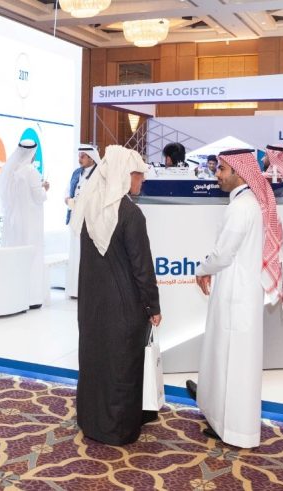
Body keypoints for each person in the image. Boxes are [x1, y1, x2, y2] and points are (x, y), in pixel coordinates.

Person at [187, 148, 283, 449]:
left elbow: (223, 254)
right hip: (240, 290)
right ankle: (226, 422)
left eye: (222, 169)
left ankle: (233, 429)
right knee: (232, 359)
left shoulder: (242, 207)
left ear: (239, 173)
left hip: (236, 293)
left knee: (232, 361)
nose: (217, 175)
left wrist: (202, 269)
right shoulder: (248, 202)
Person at [70, 145, 161, 446]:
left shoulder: (89, 207)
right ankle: (116, 429)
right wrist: (153, 306)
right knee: (121, 367)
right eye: (138, 175)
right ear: (123, 175)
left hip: (92, 307)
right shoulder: (130, 214)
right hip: (124, 310)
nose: (141, 181)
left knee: (95, 363)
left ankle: (92, 421)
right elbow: (142, 269)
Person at [0, 139, 48, 308]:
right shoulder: (31, 172)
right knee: (31, 257)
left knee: (16, 257)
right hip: (30, 224)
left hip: (15, 223)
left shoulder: (11, 170)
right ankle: (32, 298)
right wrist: (45, 188)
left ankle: (15, 295)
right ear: (32, 153)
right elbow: (38, 197)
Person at [65, 145, 100, 299]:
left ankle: (87, 290)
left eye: (83, 156)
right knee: (75, 253)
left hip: (89, 220)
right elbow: (68, 191)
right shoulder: (76, 173)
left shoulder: (99, 174)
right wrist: (68, 199)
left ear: (91, 158)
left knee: (86, 255)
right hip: (75, 219)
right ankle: (74, 290)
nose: (80, 159)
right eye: (79, 156)